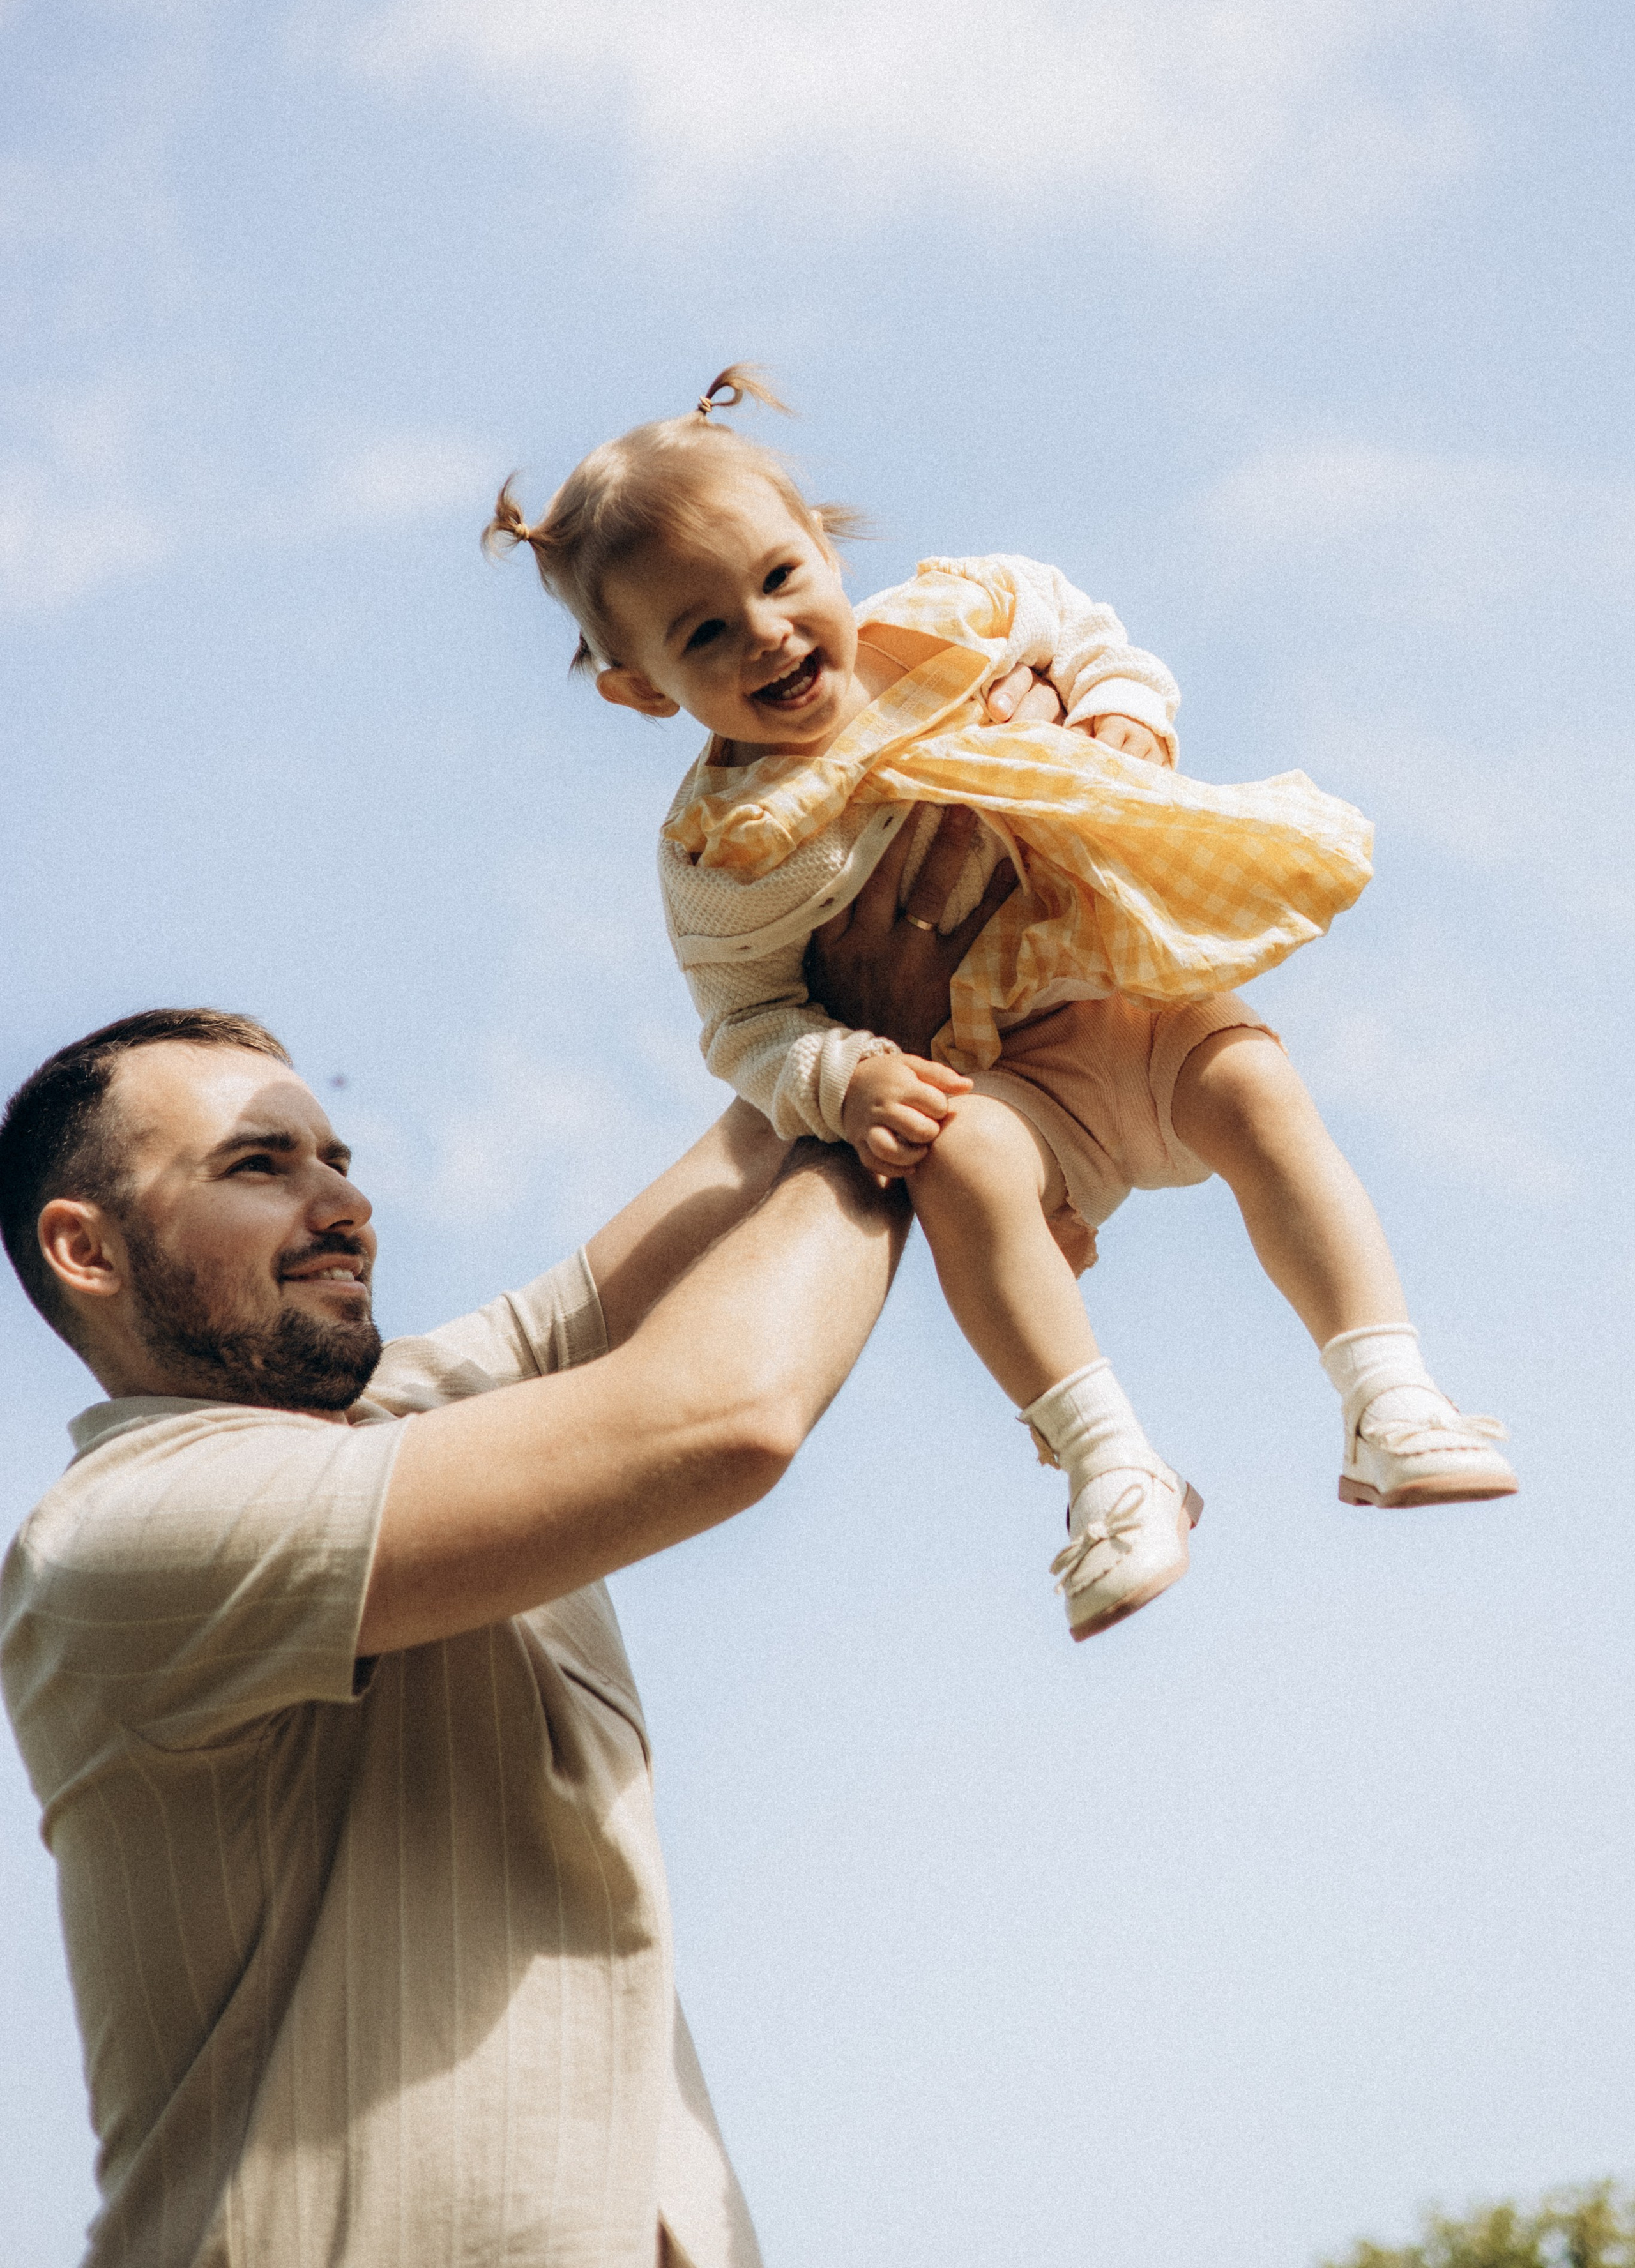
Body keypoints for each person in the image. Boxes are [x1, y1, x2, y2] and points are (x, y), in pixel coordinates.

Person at [0, 946, 1001, 2268]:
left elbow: (709, 1191)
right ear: (88, 1249)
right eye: (260, 1165)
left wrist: (877, 1003)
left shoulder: (399, 1415)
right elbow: (721, 1412)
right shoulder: (122, 1532)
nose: (343, 1203)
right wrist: (900, 1124)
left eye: (337, 1160)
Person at [484, 365, 1516, 1645]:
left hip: (1126, 995)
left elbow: (1083, 628)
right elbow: (743, 1024)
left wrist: (1118, 711)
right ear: (641, 690)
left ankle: (1385, 1393)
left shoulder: (953, 625)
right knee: (953, 1159)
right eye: (699, 635)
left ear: (823, 548)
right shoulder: (733, 850)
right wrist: (844, 1077)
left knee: (1255, 1085)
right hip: (1008, 1084)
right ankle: (1109, 1468)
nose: (762, 632)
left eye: (779, 578)